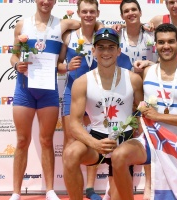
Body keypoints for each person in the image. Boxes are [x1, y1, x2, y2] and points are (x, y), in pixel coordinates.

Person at [110, 23, 177, 200]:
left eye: (170, 41)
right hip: (150, 141)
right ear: (155, 45)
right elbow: (137, 105)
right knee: (118, 156)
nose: (166, 46)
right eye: (161, 42)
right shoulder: (146, 72)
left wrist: (159, 116)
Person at [57, 1, 132, 199]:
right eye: (101, 48)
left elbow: (141, 114)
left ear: (118, 51)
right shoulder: (80, 81)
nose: (105, 52)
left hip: (123, 141)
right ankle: (85, 191)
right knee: (70, 151)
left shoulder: (133, 78)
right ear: (93, 50)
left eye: (110, 48)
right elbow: (74, 123)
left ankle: (107, 187)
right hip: (96, 136)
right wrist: (94, 143)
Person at [8, 0, 81, 199]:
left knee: (47, 140)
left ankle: (50, 190)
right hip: (24, 89)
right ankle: (16, 192)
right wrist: (17, 66)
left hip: (48, 91)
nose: (45, 2)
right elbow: (13, 57)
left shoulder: (63, 24)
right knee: (22, 141)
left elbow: (87, 20)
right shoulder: (22, 25)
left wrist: (111, 26)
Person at [119, 0, 158, 72]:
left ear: (140, 13)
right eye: (126, 11)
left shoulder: (152, 34)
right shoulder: (117, 35)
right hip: (123, 81)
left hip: (148, 81)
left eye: (134, 9)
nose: (130, 13)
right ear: (122, 16)